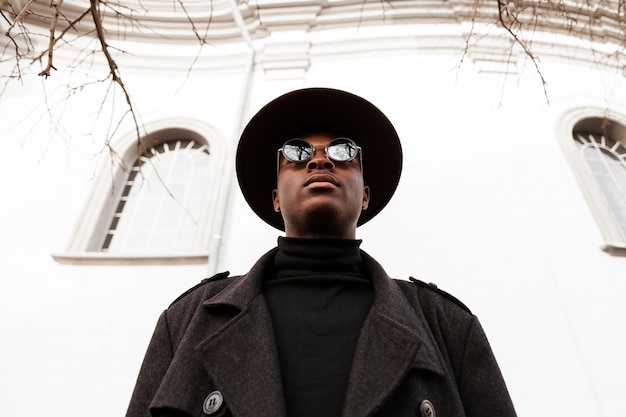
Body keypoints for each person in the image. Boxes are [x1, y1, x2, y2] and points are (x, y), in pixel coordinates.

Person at [125, 88, 517, 417]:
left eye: (344, 151)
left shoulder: (446, 326)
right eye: (295, 153)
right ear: (276, 199)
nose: (319, 158)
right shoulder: (189, 319)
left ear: (365, 196)